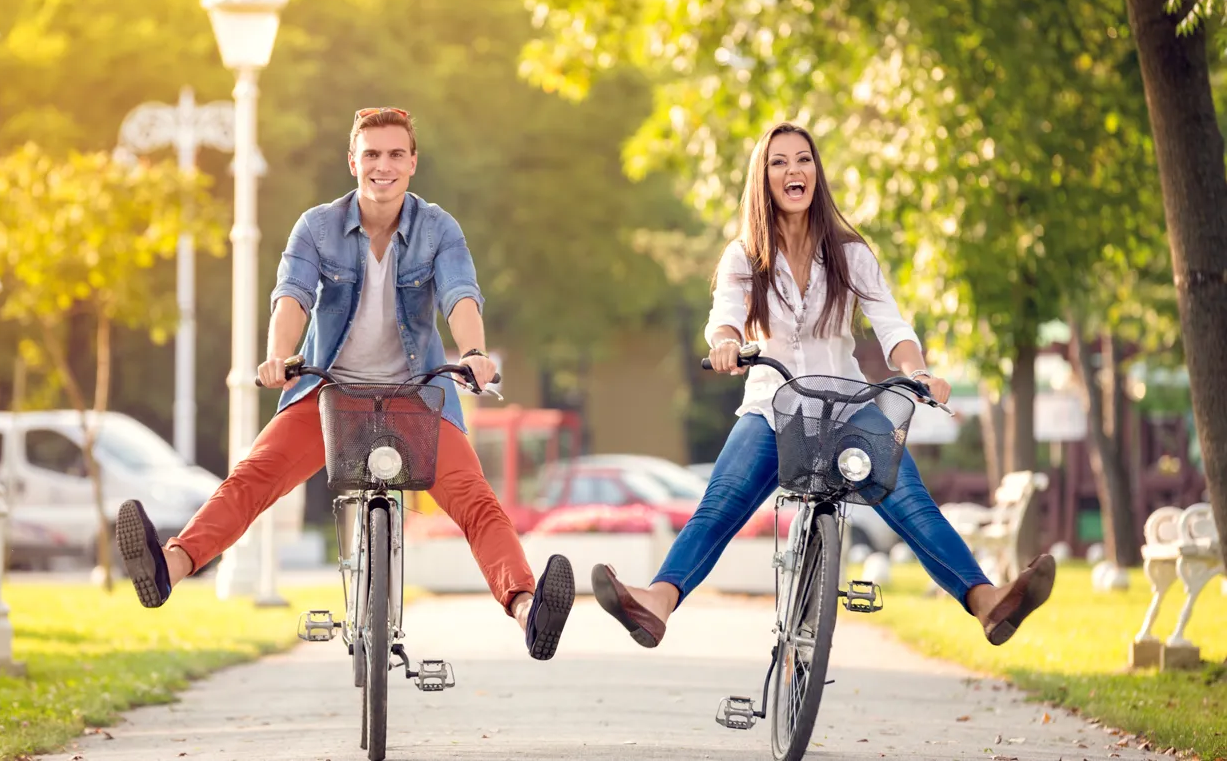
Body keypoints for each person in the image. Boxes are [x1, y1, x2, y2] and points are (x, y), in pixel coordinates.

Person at [115, 107, 575, 661]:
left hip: (416, 399)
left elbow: (460, 294)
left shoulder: (438, 228)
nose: (383, 166)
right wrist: (277, 357)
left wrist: (473, 353)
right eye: (372, 154)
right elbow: (293, 294)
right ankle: (169, 567)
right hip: (328, 394)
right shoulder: (317, 227)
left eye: (396, 154)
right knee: (253, 477)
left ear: (412, 163)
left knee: (477, 502)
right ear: (353, 160)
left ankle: (529, 612)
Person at [591, 121, 1054, 649]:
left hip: (848, 407)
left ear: (817, 172)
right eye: (780, 162)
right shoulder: (743, 257)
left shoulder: (851, 253)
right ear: (762, 179)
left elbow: (893, 326)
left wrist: (917, 371)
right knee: (720, 503)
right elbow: (724, 319)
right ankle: (655, 604)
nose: (794, 170)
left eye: (804, 159)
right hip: (773, 406)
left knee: (910, 500)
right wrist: (725, 344)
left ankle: (987, 602)